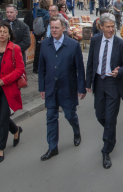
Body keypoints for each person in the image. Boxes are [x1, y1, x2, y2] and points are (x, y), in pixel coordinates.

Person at [38, 17, 86, 161]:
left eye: (56, 28)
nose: (54, 30)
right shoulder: (45, 44)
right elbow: (41, 68)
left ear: (63, 28)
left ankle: (76, 131)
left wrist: (81, 88)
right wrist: (42, 87)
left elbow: (80, 69)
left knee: (70, 115)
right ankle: (52, 147)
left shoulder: (73, 45)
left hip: (67, 88)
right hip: (51, 88)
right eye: (52, 28)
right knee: (51, 118)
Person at [86, 13, 123, 169]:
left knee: (110, 118)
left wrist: (120, 71)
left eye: (113, 27)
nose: (111, 29)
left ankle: (106, 150)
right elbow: (90, 62)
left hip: (113, 83)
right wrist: (87, 83)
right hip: (99, 82)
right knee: (100, 115)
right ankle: (110, 134)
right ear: (101, 27)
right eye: (108, 27)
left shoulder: (121, 44)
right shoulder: (95, 40)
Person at [0, 22, 25, 163]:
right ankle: (15, 130)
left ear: (9, 34)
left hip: (9, 88)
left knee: (3, 120)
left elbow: (20, 69)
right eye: (0, 31)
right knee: (0, 117)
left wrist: (5, 79)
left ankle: (0, 148)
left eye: (4, 31)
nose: (2, 34)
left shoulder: (15, 48)